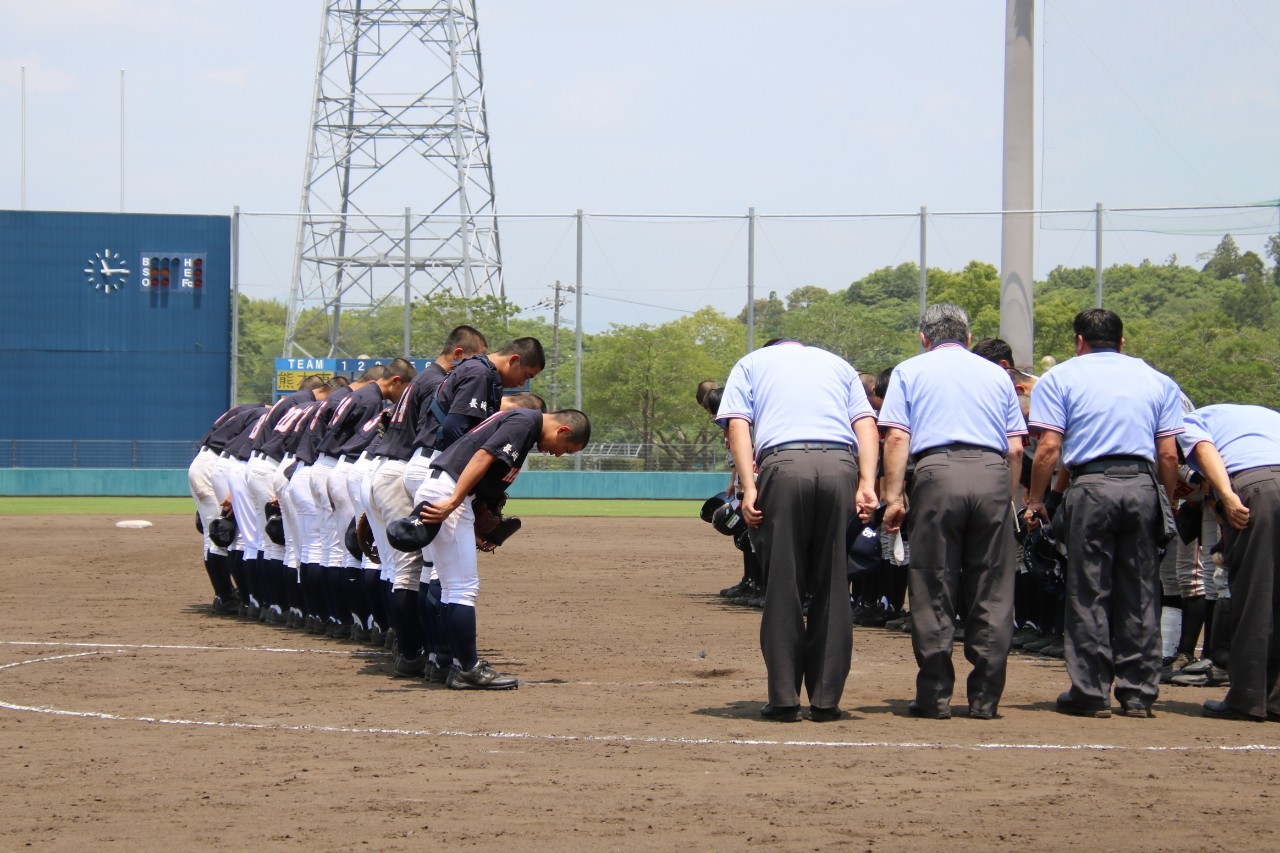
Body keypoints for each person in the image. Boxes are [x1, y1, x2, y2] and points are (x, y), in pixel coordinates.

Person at [1025, 309, 1182, 719]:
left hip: (1091, 487)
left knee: (1089, 591)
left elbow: (1048, 449)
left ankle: (1091, 692)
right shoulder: (1157, 380)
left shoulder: (1060, 378)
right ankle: (1138, 693)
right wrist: (1164, 500)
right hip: (1142, 484)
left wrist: (1036, 501)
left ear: (1079, 342)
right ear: (1122, 342)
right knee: (1141, 591)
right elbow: (1168, 453)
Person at [716, 338, 879, 723]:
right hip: (840, 464)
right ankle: (825, 701)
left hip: (784, 464)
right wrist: (867, 481)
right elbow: (866, 423)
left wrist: (749, 486)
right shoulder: (837, 363)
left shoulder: (751, 363)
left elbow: (738, 425)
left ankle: (785, 699)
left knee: (783, 584)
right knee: (834, 585)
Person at [878, 304, 1026, 720]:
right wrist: (1007, 498)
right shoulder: (997, 374)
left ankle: (935, 696)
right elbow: (1016, 446)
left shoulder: (910, 370)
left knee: (932, 585)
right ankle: (985, 700)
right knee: (993, 589)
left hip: (936, 473)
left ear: (925, 338)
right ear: (966, 334)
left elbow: (895, 439)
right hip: (992, 473)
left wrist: (894, 498)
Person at [415, 407, 591, 690]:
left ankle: (448, 662)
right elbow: (482, 457)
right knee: (461, 588)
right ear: (563, 430)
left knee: (451, 587)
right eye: (567, 450)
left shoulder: (525, 423)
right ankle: (467, 670)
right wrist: (453, 502)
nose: (559, 455)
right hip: (448, 493)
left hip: (446, 490)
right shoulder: (525, 422)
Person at [1176, 403, 1280, 721]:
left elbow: (1204, 450)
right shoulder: (1268, 417)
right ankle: (1276, 700)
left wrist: (1226, 494)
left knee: (1254, 594)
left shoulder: (1189, 421)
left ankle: (1247, 699)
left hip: (1258, 488)